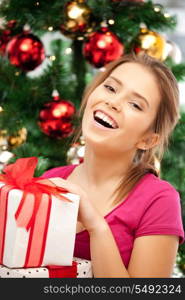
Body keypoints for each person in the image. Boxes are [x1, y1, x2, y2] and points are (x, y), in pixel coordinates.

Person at [42, 53, 185, 278]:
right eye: (110, 88)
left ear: (148, 140)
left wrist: (96, 227)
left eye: (135, 105)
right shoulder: (49, 180)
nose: (113, 102)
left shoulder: (159, 201)